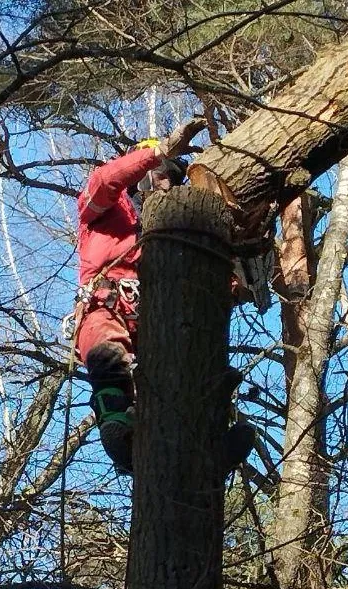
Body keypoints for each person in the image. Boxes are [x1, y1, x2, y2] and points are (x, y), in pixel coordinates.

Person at [72, 119, 254, 474]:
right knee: (109, 357)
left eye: (173, 175)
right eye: (161, 173)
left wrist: (230, 284)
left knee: (187, 365)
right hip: (107, 307)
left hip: (156, 318)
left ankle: (209, 437)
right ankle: (119, 431)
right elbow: (104, 181)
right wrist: (156, 152)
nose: (167, 182)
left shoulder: (171, 228)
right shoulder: (105, 211)